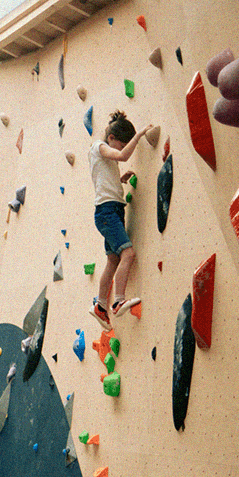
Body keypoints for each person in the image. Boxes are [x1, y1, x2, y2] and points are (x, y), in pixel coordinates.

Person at [88, 110, 153, 331]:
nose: (120, 148)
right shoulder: (99, 146)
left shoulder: (104, 156)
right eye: (120, 143)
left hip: (111, 210)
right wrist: (140, 134)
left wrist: (120, 179)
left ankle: (101, 306)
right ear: (112, 138)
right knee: (128, 253)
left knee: (113, 260)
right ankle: (118, 300)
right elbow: (123, 155)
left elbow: (105, 179)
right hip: (107, 212)